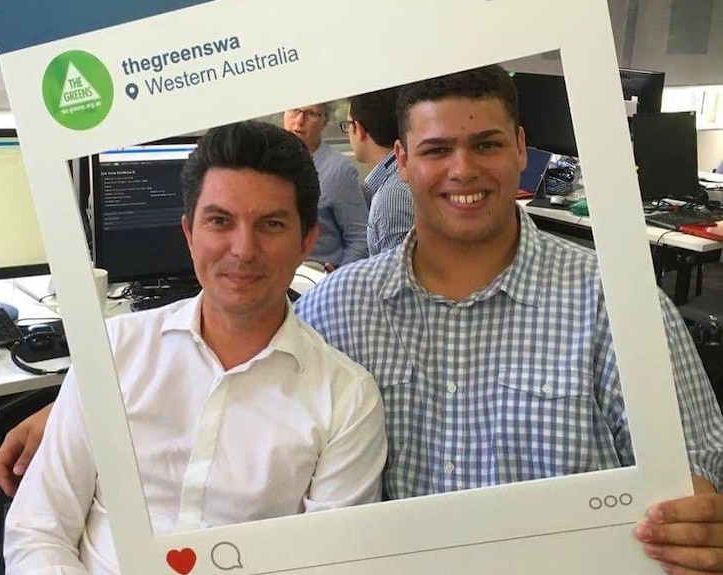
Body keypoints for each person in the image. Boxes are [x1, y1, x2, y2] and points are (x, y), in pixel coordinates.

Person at [296, 66, 723, 572]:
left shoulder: (618, 307)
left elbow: (698, 479)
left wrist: (700, 526)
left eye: (486, 145)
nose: (463, 170)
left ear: (521, 148)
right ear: (403, 161)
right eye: (436, 150)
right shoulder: (334, 312)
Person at [3, 121, 387, 574]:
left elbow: (328, 566)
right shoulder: (115, 350)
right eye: (220, 221)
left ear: (306, 240)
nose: (243, 250)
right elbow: (39, 529)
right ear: (189, 234)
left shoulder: (346, 398)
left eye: (271, 224)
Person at [284, 103, 369, 269]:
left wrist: (336, 280)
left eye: (312, 114)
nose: (300, 120)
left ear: (325, 121)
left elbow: (360, 238)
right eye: (294, 110)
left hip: (318, 278)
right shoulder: (265, 163)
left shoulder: (338, 170)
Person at [343, 88, 414, 256]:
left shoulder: (392, 196)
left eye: (347, 125)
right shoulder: (397, 179)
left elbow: (396, 277)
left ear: (358, 129)